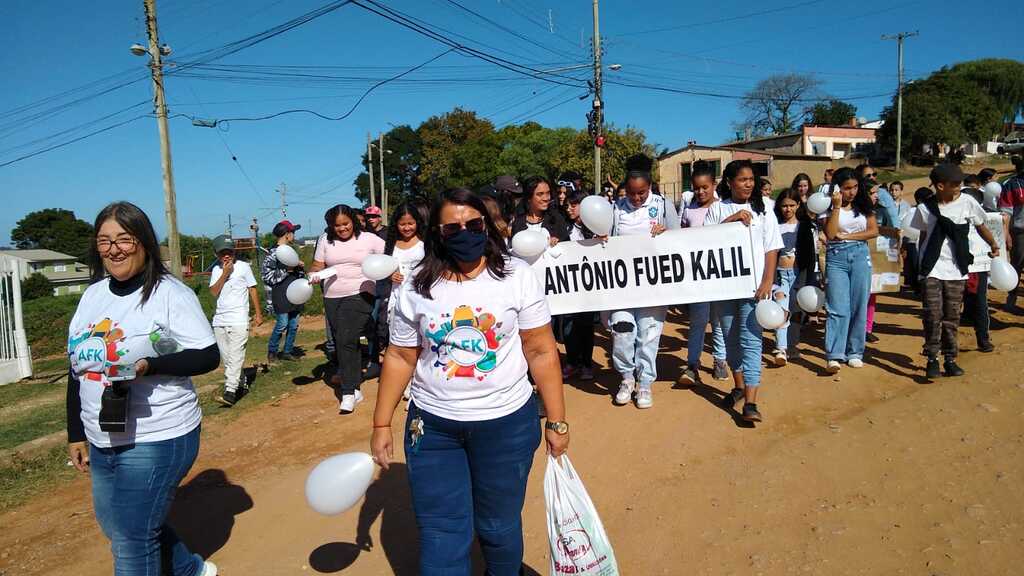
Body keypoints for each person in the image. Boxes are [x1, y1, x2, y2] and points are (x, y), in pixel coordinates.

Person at [369, 188, 568, 575]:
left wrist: (557, 421)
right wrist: (380, 423)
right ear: (436, 233)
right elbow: (399, 355)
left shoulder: (516, 276)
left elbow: (541, 351)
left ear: (486, 226)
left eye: (473, 224)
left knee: (499, 526)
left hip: (507, 425)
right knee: (442, 532)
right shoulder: (415, 286)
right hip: (433, 429)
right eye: (453, 227)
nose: (465, 232)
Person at [66, 202, 220, 576]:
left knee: (132, 538)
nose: (114, 249)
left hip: (159, 434)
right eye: (104, 241)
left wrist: (151, 366)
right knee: (119, 525)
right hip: (101, 434)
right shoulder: (93, 296)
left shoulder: (170, 293)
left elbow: (208, 356)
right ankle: (189, 570)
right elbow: (76, 368)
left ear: (144, 243)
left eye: (124, 239)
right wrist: (75, 433)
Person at [705, 159, 782, 423]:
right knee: (729, 339)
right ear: (729, 182)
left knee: (751, 340)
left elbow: (772, 246)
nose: (748, 184)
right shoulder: (717, 209)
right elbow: (705, 242)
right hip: (725, 288)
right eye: (743, 179)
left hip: (754, 288)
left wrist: (767, 281)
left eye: (752, 179)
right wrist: (733, 219)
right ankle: (738, 386)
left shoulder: (766, 209)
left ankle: (751, 402)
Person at [913, 164, 999, 378]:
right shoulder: (925, 208)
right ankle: (932, 359)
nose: (959, 187)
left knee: (952, 316)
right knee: (932, 314)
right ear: (940, 186)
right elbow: (923, 236)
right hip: (932, 268)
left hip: (956, 269)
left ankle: (950, 359)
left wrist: (994, 244)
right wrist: (919, 266)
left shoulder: (968, 202)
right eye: (955, 184)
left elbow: (981, 226)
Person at [609, 156, 680, 409]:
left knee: (649, 335)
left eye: (641, 193)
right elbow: (604, 242)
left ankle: (646, 383)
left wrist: (667, 233)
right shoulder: (616, 209)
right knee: (622, 332)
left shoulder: (663, 206)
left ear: (650, 187)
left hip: (654, 286)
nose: (636, 198)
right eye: (631, 193)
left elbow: (679, 241)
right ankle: (627, 378)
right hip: (622, 286)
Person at [310, 204, 386, 414]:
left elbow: (390, 255)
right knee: (345, 341)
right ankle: (354, 386)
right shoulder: (325, 240)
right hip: (332, 296)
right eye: (337, 226)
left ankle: (348, 391)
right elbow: (318, 265)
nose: (342, 229)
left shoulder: (369, 239)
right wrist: (314, 274)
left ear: (353, 221)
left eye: (346, 224)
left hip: (361, 293)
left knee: (345, 338)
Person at [821, 167, 878, 373]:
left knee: (858, 304)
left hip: (860, 255)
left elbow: (873, 231)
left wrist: (849, 237)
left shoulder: (863, 205)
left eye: (854, 187)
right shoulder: (827, 206)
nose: (851, 192)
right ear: (837, 188)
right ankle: (834, 354)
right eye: (846, 188)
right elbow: (830, 232)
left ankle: (855, 352)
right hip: (836, 258)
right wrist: (836, 207)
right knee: (837, 306)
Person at [678, 160, 728, 384]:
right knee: (698, 321)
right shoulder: (688, 212)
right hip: (696, 276)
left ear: (714, 184)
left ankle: (720, 360)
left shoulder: (724, 207)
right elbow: (680, 239)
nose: (700, 192)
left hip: (719, 275)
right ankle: (692, 364)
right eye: (696, 188)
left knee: (718, 320)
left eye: (704, 187)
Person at [377, 202, 425, 405]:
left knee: (424, 342)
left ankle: (420, 385)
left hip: (423, 298)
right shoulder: (390, 245)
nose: (406, 228)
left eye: (410, 223)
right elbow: (382, 268)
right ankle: (405, 382)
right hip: (398, 299)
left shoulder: (425, 242)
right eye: (402, 224)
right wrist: (390, 276)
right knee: (401, 342)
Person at [209, 235, 262, 407]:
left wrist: (258, 313)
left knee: (236, 355)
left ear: (234, 252)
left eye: (229, 252)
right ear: (217, 254)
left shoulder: (244, 267)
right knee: (228, 359)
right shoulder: (217, 270)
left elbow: (252, 289)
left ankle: (230, 392)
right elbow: (213, 292)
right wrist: (225, 273)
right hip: (219, 320)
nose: (226, 256)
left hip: (239, 318)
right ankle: (241, 382)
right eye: (222, 253)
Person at [770, 188, 813, 366]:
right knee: (781, 310)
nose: (788, 209)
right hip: (779, 275)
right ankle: (781, 348)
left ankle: (792, 344)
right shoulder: (774, 226)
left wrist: (810, 279)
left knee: (795, 310)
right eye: (784, 206)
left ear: (798, 205)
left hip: (798, 275)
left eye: (791, 205)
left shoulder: (804, 226)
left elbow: (810, 254)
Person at [561, 191, 596, 380]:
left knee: (585, 326)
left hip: (589, 288)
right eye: (567, 205)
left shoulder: (597, 227)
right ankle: (572, 362)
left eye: (573, 205)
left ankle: (587, 364)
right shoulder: (564, 228)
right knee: (568, 327)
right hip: (568, 287)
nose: (569, 209)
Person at [262, 220, 304, 364]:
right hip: (280, 294)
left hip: (295, 292)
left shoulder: (291, 251)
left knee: (294, 324)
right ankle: (272, 351)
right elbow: (266, 277)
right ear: (287, 234)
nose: (294, 235)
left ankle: (287, 351)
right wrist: (287, 270)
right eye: (293, 232)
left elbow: (296, 271)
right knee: (282, 324)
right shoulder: (273, 253)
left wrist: (300, 269)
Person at [510, 176, 570, 245]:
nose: (546, 198)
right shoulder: (518, 223)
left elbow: (567, 247)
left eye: (548, 193)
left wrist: (557, 243)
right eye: (540, 194)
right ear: (529, 197)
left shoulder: (556, 220)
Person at [998, 156, 1024, 312]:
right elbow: (1005, 213)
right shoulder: (1012, 184)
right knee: (1017, 266)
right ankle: (1011, 300)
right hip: (1020, 233)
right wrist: (1006, 234)